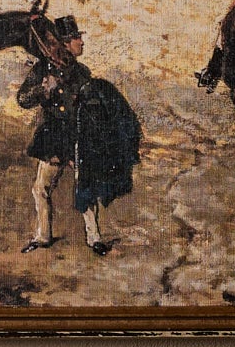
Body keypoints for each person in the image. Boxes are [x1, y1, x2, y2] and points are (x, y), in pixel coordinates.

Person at [16, 16, 142, 255]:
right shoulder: (42, 69)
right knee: (40, 188)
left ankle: (94, 239)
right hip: (53, 138)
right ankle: (43, 236)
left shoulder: (82, 72)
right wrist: (42, 90)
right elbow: (22, 99)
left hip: (79, 138)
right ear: (64, 43)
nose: (81, 42)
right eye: (76, 38)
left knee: (86, 187)